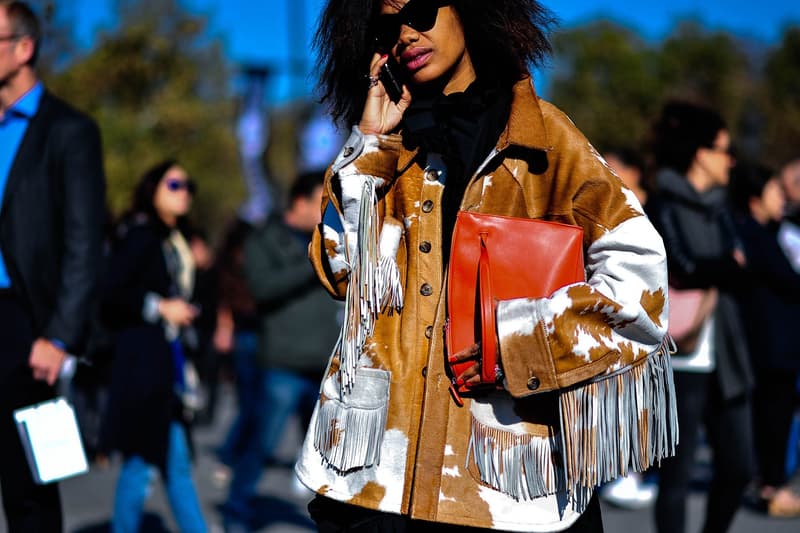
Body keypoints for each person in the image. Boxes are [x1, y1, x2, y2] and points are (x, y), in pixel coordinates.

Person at [295, 1, 676, 531]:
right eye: (386, 25)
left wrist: (519, 340)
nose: (405, 33)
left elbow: (642, 280)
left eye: (421, 8)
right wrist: (369, 147)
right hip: (374, 479)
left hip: (506, 488)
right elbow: (338, 268)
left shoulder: (545, 140)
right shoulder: (389, 141)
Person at [0, 1, 105, 530]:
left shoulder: (69, 131)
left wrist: (59, 335)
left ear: (24, 48)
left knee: (31, 488)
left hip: (30, 326)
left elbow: (86, 242)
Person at [645, 101, 754, 533]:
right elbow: (680, 266)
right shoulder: (663, 203)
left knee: (738, 466)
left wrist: (719, 267)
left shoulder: (722, 207)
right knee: (676, 476)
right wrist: (724, 265)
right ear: (700, 153)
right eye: (725, 150)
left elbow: (738, 270)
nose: (731, 160)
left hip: (727, 353)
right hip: (679, 358)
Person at [222, 170, 341, 531]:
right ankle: (236, 511)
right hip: (283, 364)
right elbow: (261, 288)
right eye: (320, 203)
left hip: (322, 364)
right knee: (261, 444)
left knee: (327, 457)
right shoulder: (264, 239)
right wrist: (312, 263)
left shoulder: (328, 241)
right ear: (300, 202)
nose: (325, 213)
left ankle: (330, 522)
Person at [101, 160, 207, 533]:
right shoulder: (141, 235)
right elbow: (112, 293)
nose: (185, 192)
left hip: (170, 369)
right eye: (174, 184)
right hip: (145, 369)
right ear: (152, 189)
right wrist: (160, 306)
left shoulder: (176, 239)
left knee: (167, 464)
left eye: (188, 185)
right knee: (143, 463)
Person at [730, 161, 800, 518]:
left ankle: (770, 482)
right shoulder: (754, 234)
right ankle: (771, 485)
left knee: (775, 415)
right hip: (772, 345)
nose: (781, 198)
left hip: (776, 344)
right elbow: (790, 280)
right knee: (774, 417)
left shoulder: (760, 232)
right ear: (755, 198)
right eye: (774, 190)